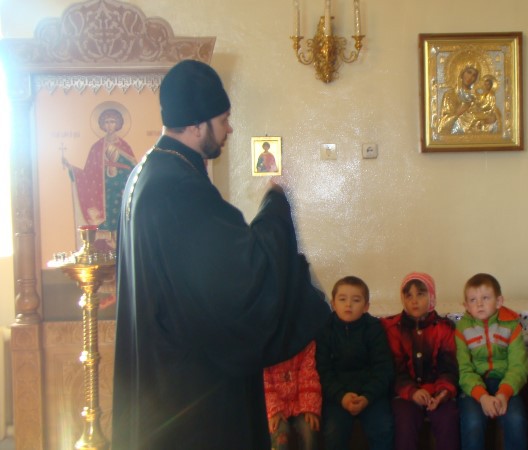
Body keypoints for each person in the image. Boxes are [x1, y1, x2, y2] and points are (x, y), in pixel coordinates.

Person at [112, 59, 330, 450]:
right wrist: (276, 201)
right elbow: (242, 280)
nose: (229, 129)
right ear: (197, 124)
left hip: (161, 383)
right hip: (190, 399)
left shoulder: (147, 173)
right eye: (224, 119)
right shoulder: (177, 188)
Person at [381, 272, 460, 450]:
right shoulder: (394, 329)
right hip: (405, 394)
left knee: (448, 419)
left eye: (420, 294)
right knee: (404, 422)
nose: (414, 301)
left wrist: (441, 394)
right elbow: (395, 369)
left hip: (438, 392)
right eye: (408, 296)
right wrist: (412, 392)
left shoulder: (444, 328)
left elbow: (449, 368)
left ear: (431, 297)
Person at [315, 276, 394, 450]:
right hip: (338, 397)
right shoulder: (325, 330)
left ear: (366, 306)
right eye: (342, 299)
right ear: (333, 304)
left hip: (371, 395)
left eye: (356, 300)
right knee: (333, 432)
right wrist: (342, 397)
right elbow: (323, 371)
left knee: (383, 428)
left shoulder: (374, 329)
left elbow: (384, 369)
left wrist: (367, 397)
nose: (348, 305)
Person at [456, 273, 528, 450]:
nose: (479, 304)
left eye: (485, 298)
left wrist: (504, 393)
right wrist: (482, 396)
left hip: (505, 383)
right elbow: (464, 370)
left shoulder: (511, 326)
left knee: (516, 420)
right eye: (473, 300)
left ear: (498, 301)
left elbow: (519, 366)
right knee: (472, 422)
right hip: (474, 387)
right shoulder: (462, 329)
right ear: (466, 306)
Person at [62, 106, 137, 249]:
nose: (109, 125)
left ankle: (120, 245)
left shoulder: (124, 146)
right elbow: (88, 174)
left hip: (120, 191)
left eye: (112, 122)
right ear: (102, 125)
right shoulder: (96, 147)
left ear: (118, 124)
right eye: (106, 122)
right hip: (102, 194)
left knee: (120, 218)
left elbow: (133, 170)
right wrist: (73, 170)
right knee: (105, 221)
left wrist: (122, 180)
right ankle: (106, 247)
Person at [262, 341, 321, 450]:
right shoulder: (266, 343)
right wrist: (274, 409)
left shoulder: (305, 341)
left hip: (300, 403)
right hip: (275, 406)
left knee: (309, 431)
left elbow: (308, 374)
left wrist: (309, 407)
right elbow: (264, 380)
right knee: (279, 434)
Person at [437, 64, 479, 135]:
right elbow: (442, 125)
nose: (470, 77)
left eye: (474, 75)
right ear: (462, 72)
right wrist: (458, 113)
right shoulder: (450, 95)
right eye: (469, 72)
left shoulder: (476, 97)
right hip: (455, 135)